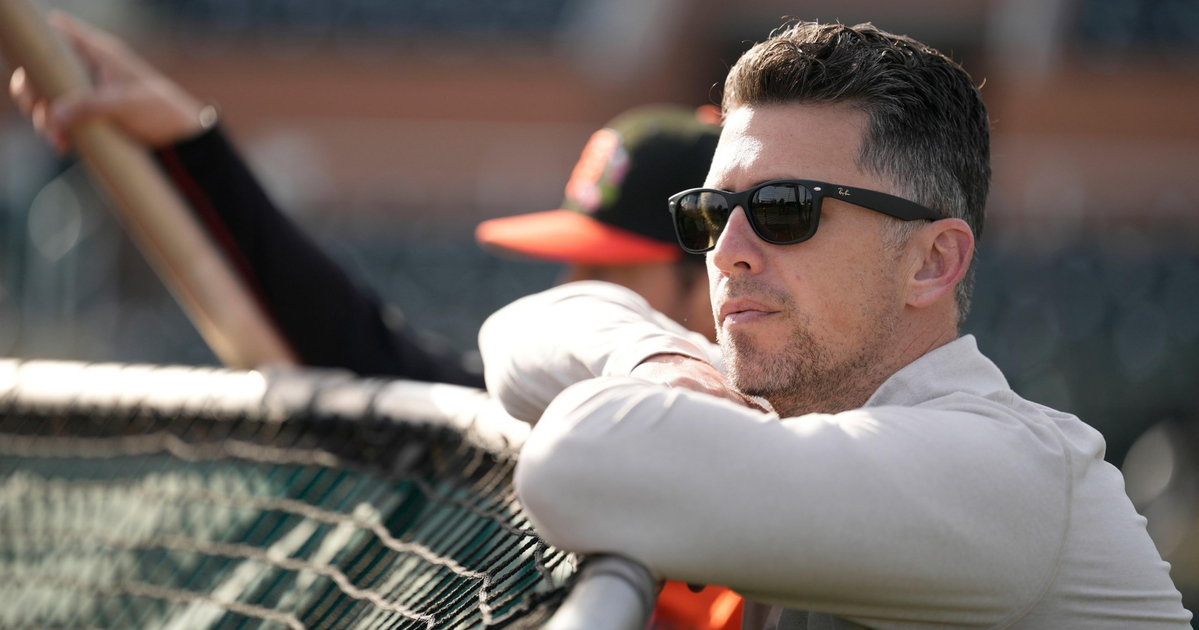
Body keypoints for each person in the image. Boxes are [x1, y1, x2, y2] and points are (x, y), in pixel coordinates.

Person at [8, 13, 736, 629]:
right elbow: (359, 345)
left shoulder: (815, 467)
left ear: (712, 275)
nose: (575, 292)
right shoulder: (571, 424)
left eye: (607, 272)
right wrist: (190, 145)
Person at [477, 20, 1192, 630]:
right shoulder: (785, 402)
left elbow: (578, 463)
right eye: (708, 212)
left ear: (931, 262)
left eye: (784, 209)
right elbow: (521, 329)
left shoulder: (999, 469)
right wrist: (657, 356)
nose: (724, 252)